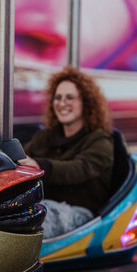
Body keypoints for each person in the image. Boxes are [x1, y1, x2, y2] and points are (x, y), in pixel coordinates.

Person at [19, 66, 113, 239]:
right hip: (43, 205)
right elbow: (22, 159)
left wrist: (41, 165)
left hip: (80, 214)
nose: (62, 103)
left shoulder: (100, 142)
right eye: (58, 97)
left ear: (87, 103)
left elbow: (79, 169)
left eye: (70, 98)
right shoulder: (45, 137)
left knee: (32, 220)